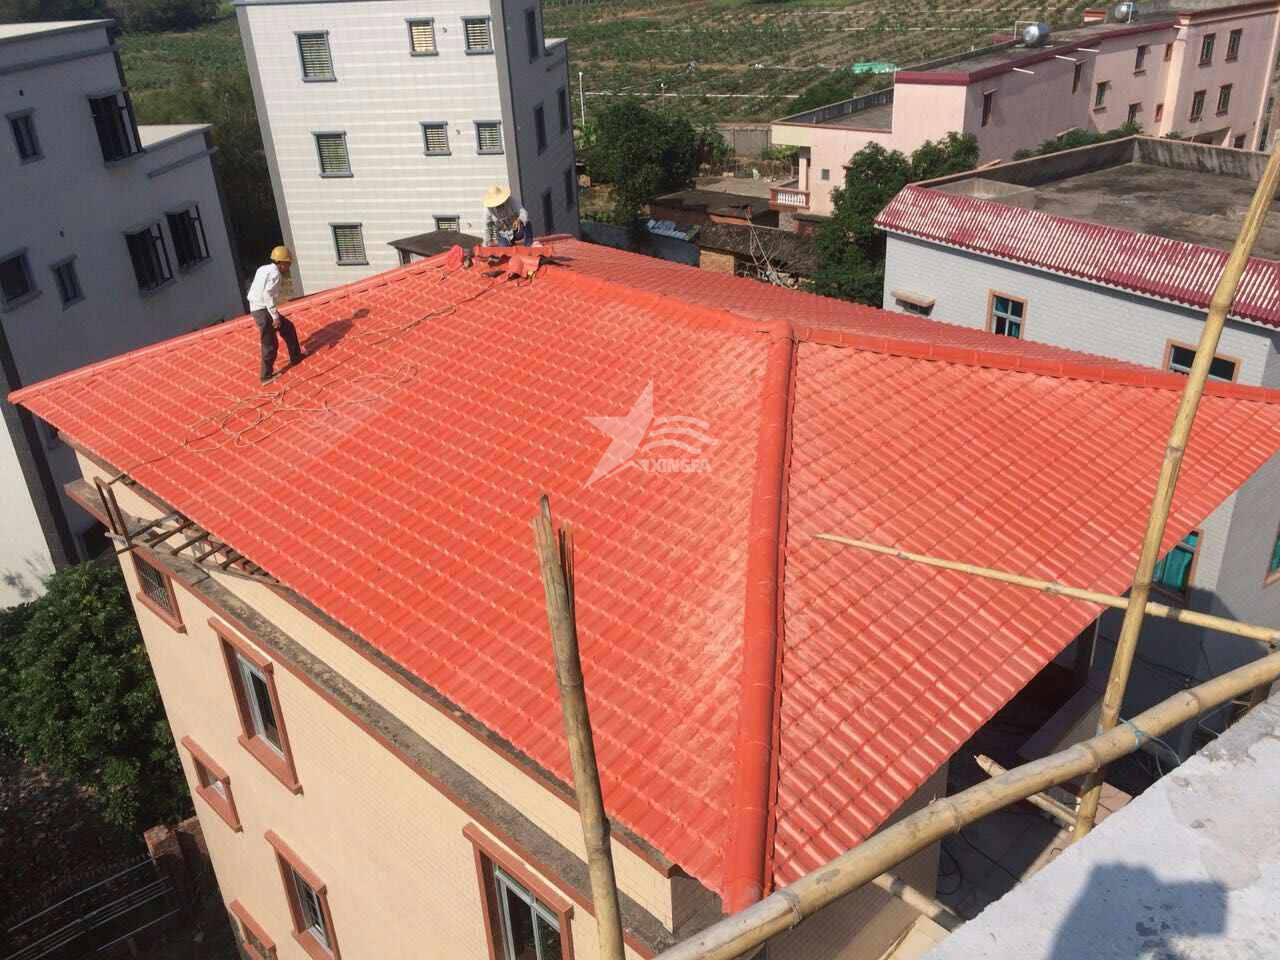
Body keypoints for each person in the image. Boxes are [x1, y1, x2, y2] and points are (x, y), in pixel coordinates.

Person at [247, 245, 304, 383]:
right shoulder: (276, 274)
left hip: (258, 307)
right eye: (288, 263)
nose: (289, 266)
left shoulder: (263, 269)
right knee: (270, 343)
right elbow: (267, 295)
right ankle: (266, 376)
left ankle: (296, 357)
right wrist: (275, 317)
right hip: (263, 311)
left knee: (288, 328)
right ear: (281, 263)